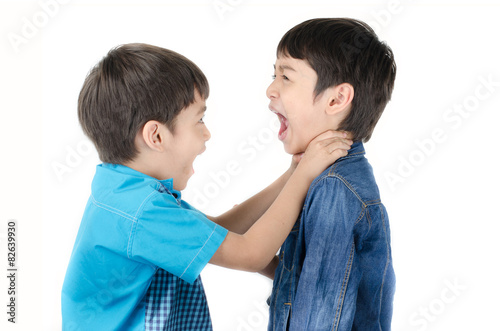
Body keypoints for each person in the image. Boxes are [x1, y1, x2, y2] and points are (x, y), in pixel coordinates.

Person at [61, 43, 353, 330]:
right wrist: (303, 177)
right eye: (199, 120)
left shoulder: (125, 191)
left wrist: (291, 174)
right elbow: (250, 254)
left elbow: (216, 232)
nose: (207, 133)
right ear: (156, 136)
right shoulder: (142, 212)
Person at [266, 18, 396, 330]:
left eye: (285, 77)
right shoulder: (321, 178)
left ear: (336, 99)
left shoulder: (334, 189)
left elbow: (319, 316)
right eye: (273, 75)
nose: (270, 89)